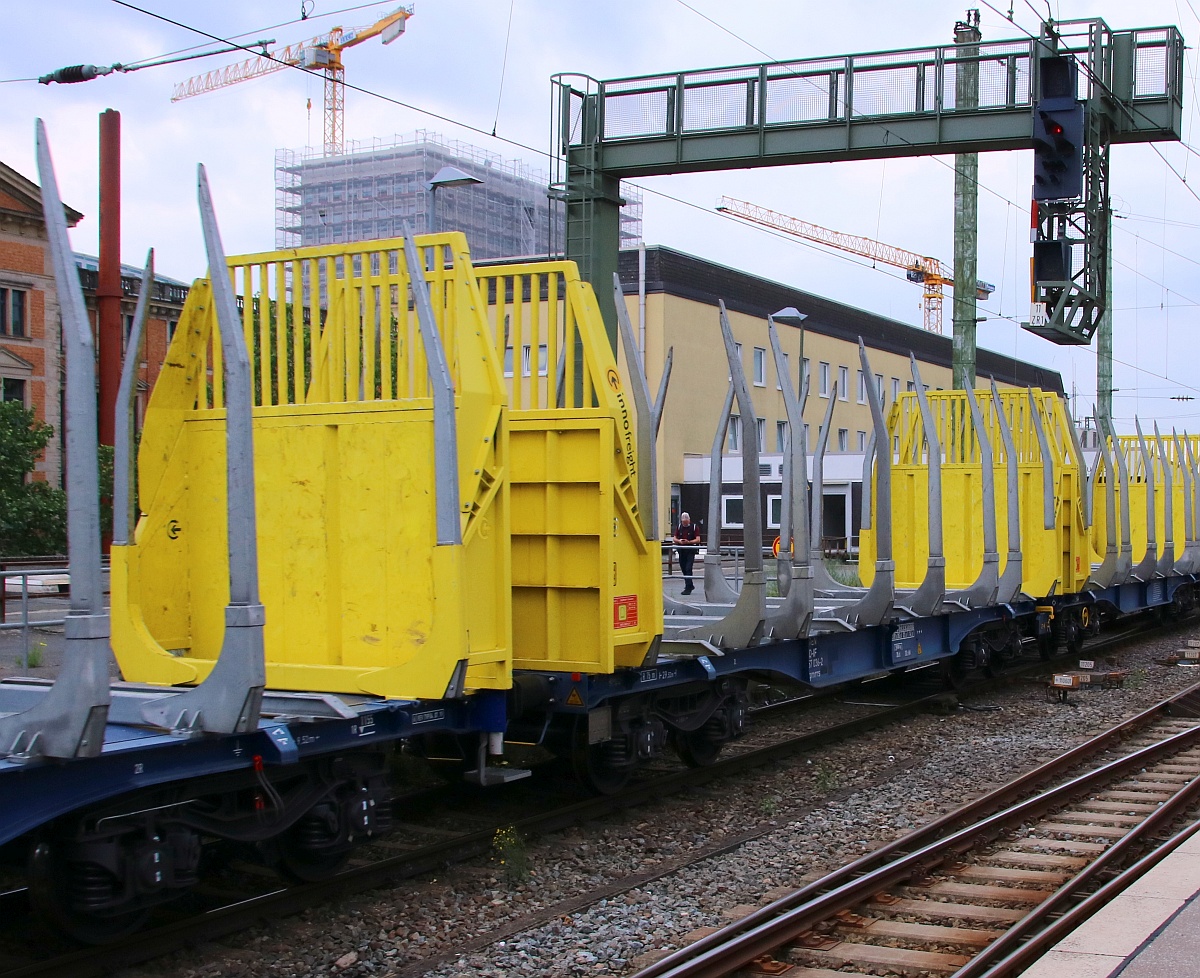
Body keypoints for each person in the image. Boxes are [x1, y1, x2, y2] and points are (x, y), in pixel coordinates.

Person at [673, 512, 701, 595]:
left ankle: (688, 587)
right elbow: (674, 537)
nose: (684, 524)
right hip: (681, 550)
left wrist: (689, 542)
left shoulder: (694, 527)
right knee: (683, 568)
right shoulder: (679, 527)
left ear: (689, 520)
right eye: (683, 522)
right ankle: (690, 585)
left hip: (690, 550)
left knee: (688, 568)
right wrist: (679, 541)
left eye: (686, 522)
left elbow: (698, 539)